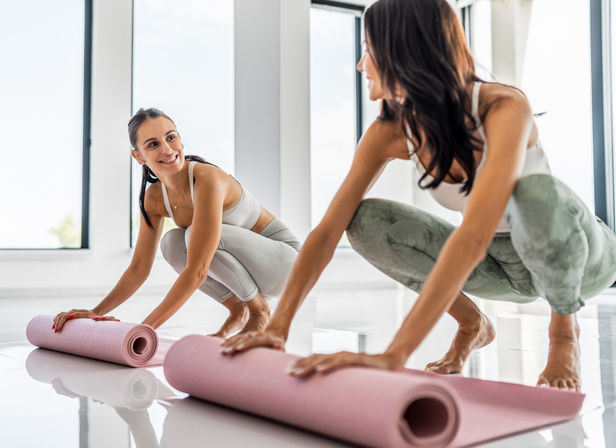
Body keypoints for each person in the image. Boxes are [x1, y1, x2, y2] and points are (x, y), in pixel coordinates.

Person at [222, 0, 616, 392]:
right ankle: (472, 323)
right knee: (365, 221)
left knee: (533, 193)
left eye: (369, 50)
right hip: (503, 269)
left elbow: (474, 235)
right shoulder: (389, 133)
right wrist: (277, 329)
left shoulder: (503, 106)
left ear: (404, 52)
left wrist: (394, 354)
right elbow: (328, 232)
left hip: (579, 261)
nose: (362, 65)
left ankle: (564, 333)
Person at [53, 108, 301, 337]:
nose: (167, 149)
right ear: (138, 156)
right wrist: (98, 312)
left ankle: (258, 311)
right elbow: (140, 267)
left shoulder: (207, 180)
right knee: (171, 243)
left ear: (181, 140)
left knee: (194, 237)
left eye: (171, 138)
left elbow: (198, 270)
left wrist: (145, 329)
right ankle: (238, 311)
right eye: (153, 144)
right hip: (252, 270)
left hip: (285, 264)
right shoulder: (154, 198)